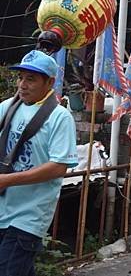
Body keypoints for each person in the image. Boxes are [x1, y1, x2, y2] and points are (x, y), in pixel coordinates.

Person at [0, 50, 78, 276]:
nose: (22, 84)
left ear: (50, 82)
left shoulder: (59, 117)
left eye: (31, 79)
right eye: (21, 77)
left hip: (28, 216)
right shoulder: (9, 107)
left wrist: (7, 180)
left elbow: (59, 166)